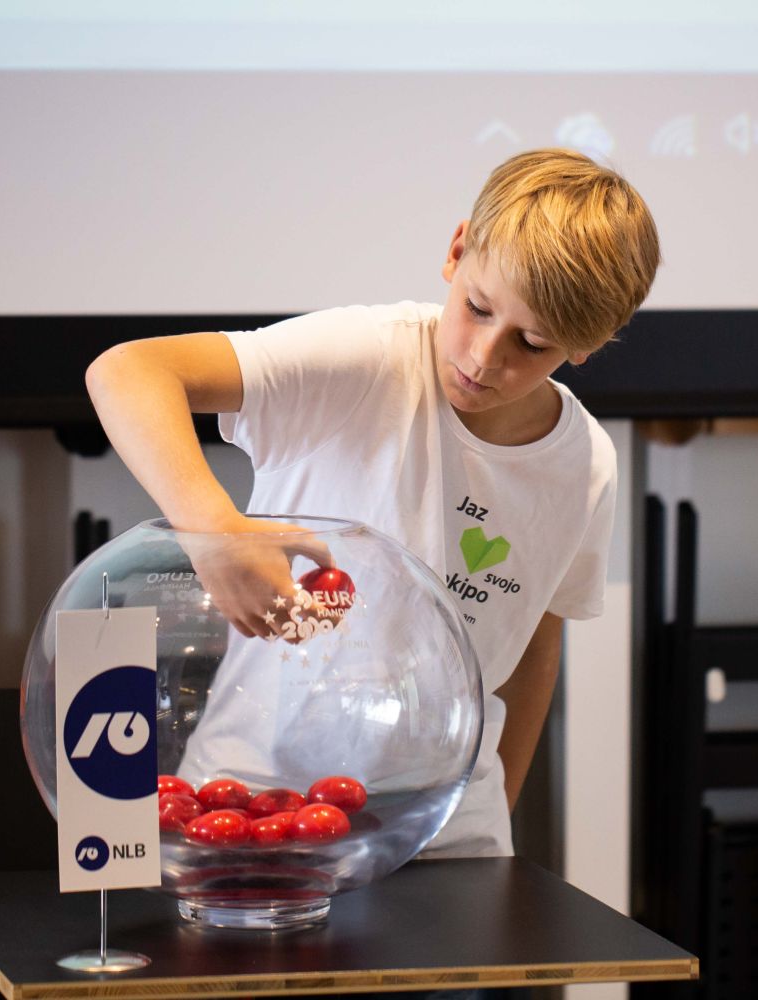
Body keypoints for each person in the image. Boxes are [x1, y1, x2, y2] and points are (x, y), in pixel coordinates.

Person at [86, 147, 660, 864]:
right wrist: (214, 531)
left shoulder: (586, 464)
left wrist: (487, 811)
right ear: (457, 251)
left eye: (533, 344)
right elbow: (128, 371)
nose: (484, 357)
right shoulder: (370, 357)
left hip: (449, 833)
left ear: (587, 346)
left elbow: (536, 646)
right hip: (253, 808)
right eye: (478, 309)